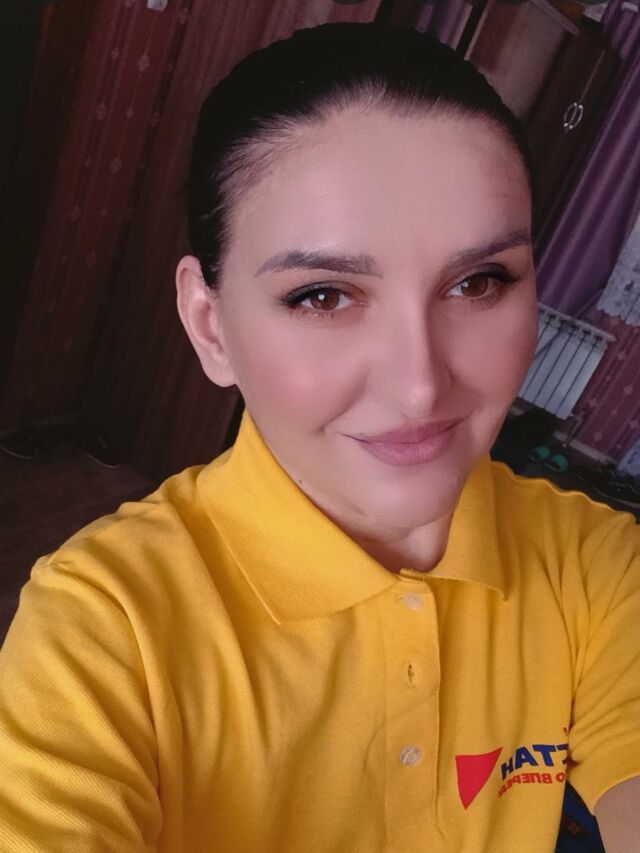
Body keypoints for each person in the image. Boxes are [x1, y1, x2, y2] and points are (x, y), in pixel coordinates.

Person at [0, 21, 639, 853]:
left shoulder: (594, 563)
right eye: (323, 296)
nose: (420, 384)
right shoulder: (104, 630)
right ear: (210, 325)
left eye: (479, 282)